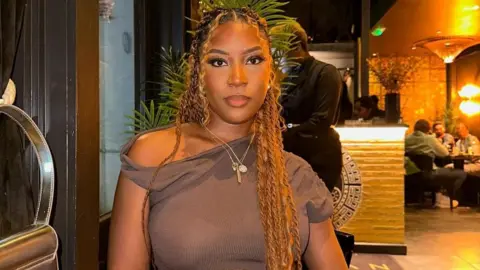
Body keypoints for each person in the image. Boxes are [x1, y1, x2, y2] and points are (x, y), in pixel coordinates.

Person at [108, 8, 347, 270]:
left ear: (270, 74)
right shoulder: (153, 157)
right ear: (199, 73)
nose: (237, 79)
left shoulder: (295, 175)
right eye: (219, 62)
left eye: (253, 60)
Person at [273, 21, 343, 192]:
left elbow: (321, 121)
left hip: (318, 160)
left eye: (278, 48)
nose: (274, 54)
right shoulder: (284, 78)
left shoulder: (325, 73)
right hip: (289, 159)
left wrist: (284, 130)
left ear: (296, 45)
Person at [405, 119, 467, 208]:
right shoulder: (429, 139)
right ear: (428, 129)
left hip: (411, 175)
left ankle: (439, 196)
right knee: (461, 174)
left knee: (443, 170)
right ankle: (446, 199)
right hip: (429, 174)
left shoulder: (407, 139)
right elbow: (444, 153)